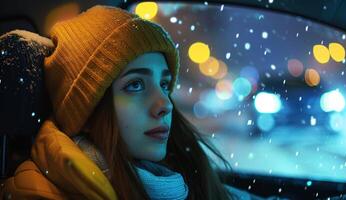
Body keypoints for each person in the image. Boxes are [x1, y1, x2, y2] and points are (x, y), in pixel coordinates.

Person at [1, 5, 262, 200]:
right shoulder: (40, 193)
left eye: (164, 84)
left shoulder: (179, 174)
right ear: (89, 111)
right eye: (135, 85)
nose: (165, 105)